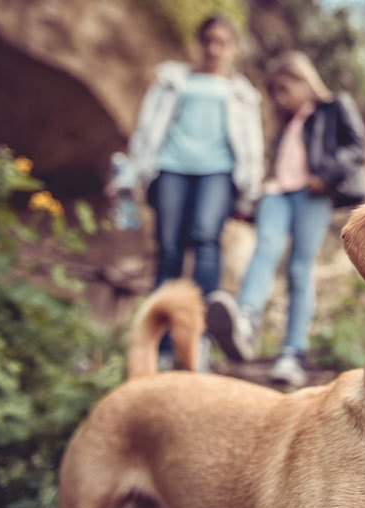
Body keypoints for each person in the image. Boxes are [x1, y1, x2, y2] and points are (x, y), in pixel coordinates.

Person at [108, 14, 264, 371]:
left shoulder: (242, 94)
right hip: (170, 168)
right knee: (168, 251)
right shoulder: (172, 80)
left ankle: (199, 341)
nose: (214, 49)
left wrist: (249, 191)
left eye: (222, 42)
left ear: (233, 49)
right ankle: (161, 346)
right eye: (208, 40)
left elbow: (252, 146)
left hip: (219, 173)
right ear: (200, 43)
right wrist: (130, 174)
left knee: (206, 241)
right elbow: (146, 130)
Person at [206, 50, 365, 387]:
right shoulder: (285, 125)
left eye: (283, 89)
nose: (279, 99)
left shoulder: (334, 107)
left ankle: (292, 352)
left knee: (299, 268)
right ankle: (246, 323)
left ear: (303, 80)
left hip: (313, 194)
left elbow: (356, 147)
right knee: (265, 248)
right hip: (277, 193)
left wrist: (326, 175)